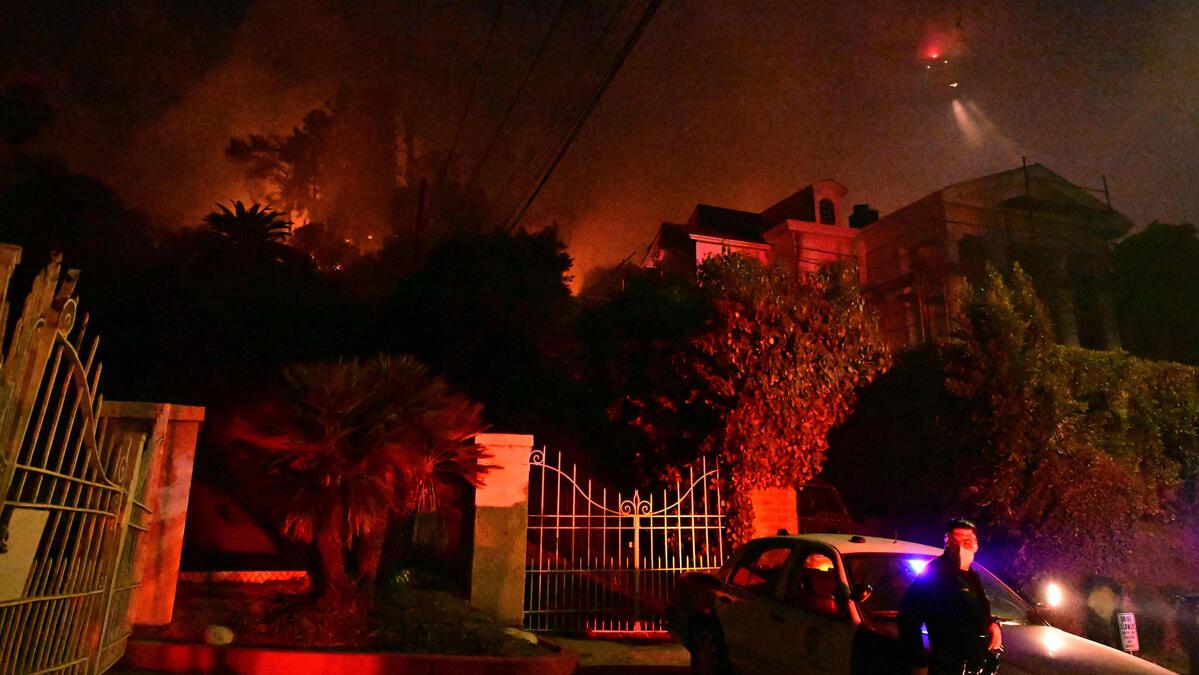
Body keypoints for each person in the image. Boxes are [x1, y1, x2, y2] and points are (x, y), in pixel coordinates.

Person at [898, 518, 1002, 675]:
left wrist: (992, 624)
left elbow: (977, 609)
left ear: (976, 545)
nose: (960, 548)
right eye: (954, 543)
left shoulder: (972, 575)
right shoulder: (934, 572)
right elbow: (908, 618)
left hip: (974, 665)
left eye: (966, 542)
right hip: (946, 666)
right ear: (946, 544)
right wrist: (918, 662)